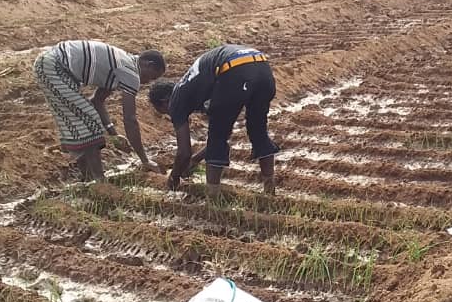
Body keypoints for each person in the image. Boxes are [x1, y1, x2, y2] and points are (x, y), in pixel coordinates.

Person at [149, 44, 279, 198]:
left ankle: (213, 200)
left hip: (234, 68)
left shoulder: (176, 100)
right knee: (258, 130)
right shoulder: (197, 88)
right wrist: (196, 160)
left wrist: (174, 177)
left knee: (217, 137)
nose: (170, 115)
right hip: (262, 65)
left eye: (164, 112)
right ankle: (270, 192)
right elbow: (225, 126)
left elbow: (184, 152)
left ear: (164, 102)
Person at [34, 40, 166, 181]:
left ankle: (88, 178)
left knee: (82, 122)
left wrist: (113, 134)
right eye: (151, 77)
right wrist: (145, 160)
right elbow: (130, 119)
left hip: (51, 63)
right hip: (54, 66)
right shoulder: (131, 73)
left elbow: (97, 100)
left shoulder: (123, 64)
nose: (148, 82)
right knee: (90, 120)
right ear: (148, 65)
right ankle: (99, 179)